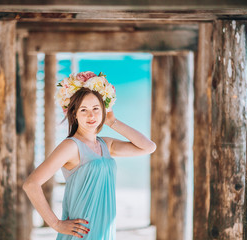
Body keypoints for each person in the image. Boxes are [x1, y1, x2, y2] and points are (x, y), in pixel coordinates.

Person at [23, 71, 156, 240]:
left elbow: (149, 147)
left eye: (96, 109)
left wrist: (112, 122)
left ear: (104, 110)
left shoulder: (105, 144)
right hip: (81, 233)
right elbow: (31, 184)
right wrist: (56, 223)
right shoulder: (70, 146)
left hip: (104, 231)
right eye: (83, 110)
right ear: (74, 114)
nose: (91, 115)